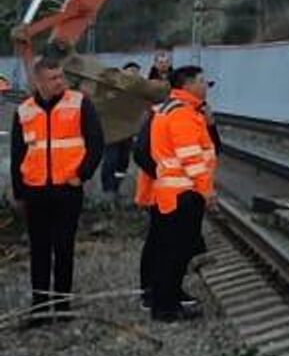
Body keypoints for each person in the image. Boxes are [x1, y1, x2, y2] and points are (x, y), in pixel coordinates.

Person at [9, 55, 104, 321]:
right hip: (35, 191)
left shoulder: (79, 103)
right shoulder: (25, 110)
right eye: (53, 78)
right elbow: (18, 155)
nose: (60, 82)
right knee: (39, 251)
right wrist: (19, 193)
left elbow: (96, 143)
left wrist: (81, 175)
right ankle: (39, 309)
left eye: (61, 76)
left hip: (67, 190)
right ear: (38, 81)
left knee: (64, 249)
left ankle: (62, 307)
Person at [144, 65, 217, 322]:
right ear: (187, 85)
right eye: (202, 81)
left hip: (170, 193)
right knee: (175, 253)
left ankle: (166, 299)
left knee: (168, 251)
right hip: (183, 194)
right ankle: (166, 307)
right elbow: (191, 159)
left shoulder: (170, 109)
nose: (206, 85)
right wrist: (206, 192)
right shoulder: (182, 114)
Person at [95, 61, 143, 198]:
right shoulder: (113, 89)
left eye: (136, 72)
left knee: (123, 161)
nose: (134, 75)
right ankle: (107, 189)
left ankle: (116, 187)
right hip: (112, 132)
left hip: (128, 133)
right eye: (131, 72)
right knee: (111, 159)